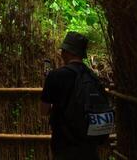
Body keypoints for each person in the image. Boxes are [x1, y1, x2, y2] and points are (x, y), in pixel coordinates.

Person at [41, 32, 101, 160]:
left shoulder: (55, 76)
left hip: (64, 145)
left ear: (66, 52)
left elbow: (44, 110)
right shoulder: (93, 77)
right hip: (90, 146)